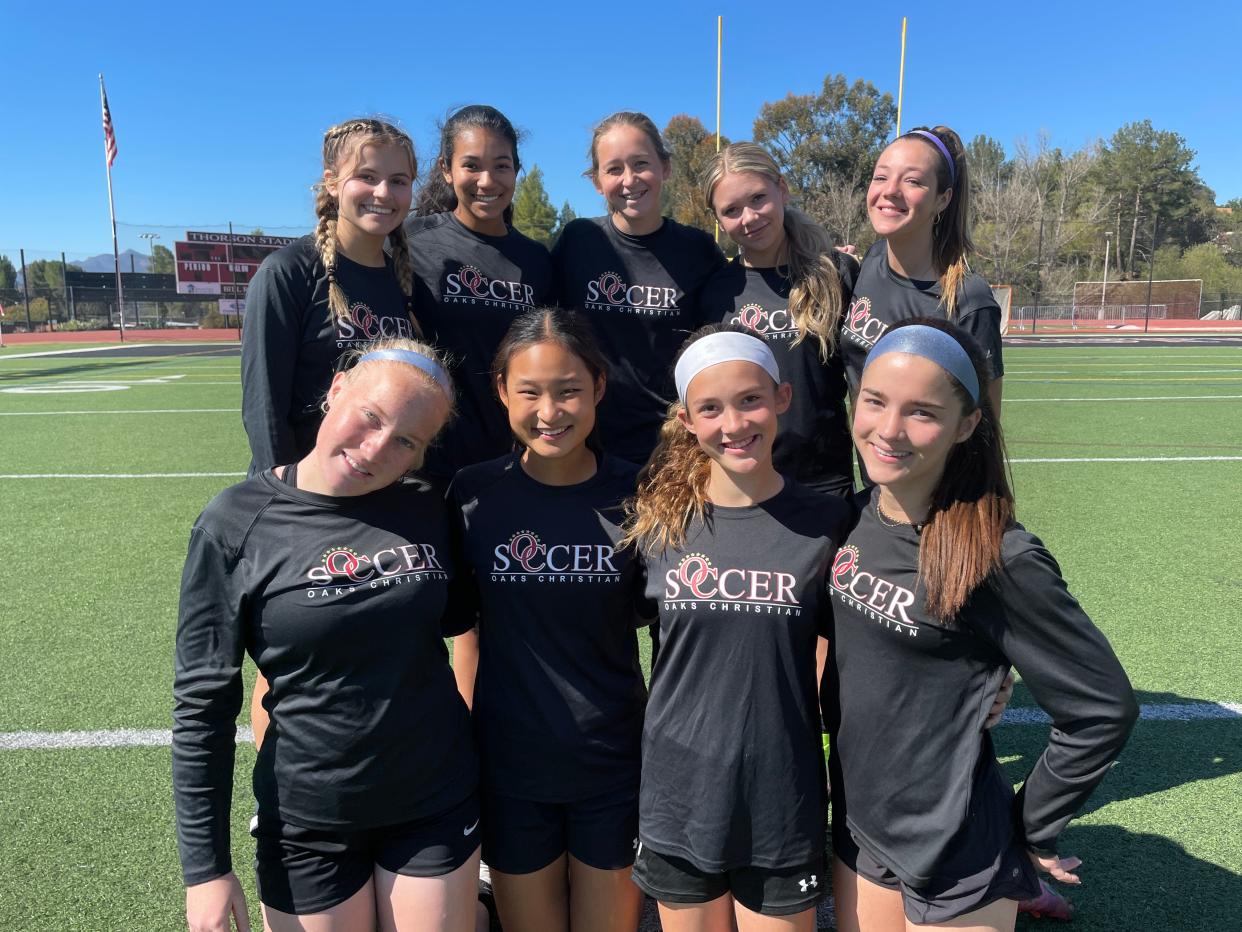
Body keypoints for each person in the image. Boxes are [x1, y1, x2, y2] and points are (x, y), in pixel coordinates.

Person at [823, 319, 1138, 932]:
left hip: (957, 848)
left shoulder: (998, 556)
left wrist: (1035, 824)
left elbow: (1102, 707)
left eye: (922, 412)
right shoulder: (854, 518)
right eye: (876, 401)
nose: (889, 430)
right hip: (861, 826)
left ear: (966, 426)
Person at [173, 338, 481, 932]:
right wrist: (205, 869)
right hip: (306, 817)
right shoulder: (234, 522)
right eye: (371, 417)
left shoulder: (426, 508)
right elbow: (202, 706)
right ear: (337, 388)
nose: (375, 450)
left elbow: (464, 624)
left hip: (434, 801)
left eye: (406, 442)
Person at [622, 325, 851, 931]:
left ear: (781, 397)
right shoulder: (658, 524)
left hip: (781, 792)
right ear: (686, 419)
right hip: (678, 790)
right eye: (711, 408)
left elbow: (878, 632)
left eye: (750, 399)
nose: (734, 423)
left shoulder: (828, 522)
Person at [447, 308, 646, 932]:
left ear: (599, 389)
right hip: (510, 765)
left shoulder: (640, 497)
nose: (550, 411)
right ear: (502, 391)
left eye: (569, 391)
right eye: (529, 392)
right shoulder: (473, 496)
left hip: (612, 763)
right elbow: (466, 630)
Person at [241, 117, 419, 474]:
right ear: (332, 183)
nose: (383, 192)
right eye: (367, 177)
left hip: (376, 489)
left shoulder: (405, 280)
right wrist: (289, 502)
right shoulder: (287, 272)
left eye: (398, 181)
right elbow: (264, 409)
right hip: (306, 495)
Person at [553, 111, 726, 467]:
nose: (629, 179)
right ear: (597, 181)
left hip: (675, 446)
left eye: (641, 164)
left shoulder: (697, 248)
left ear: (665, 167)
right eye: (614, 169)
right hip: (588, 443)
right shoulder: (580, 240)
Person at [405, 104, 555, 486]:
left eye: (502, 166)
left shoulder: (537, 260)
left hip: (517, 460)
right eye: (471, 165)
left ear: (516, 171)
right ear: (445, 168)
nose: (487, 181)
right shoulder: (411, 243)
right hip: (429, 463)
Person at [701, 141, 858, 499]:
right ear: (719, 221)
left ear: (782, 189)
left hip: (824, 483)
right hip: (742, 485)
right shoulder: (715, 292)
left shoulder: (836, 273)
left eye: (758, 198)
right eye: (732, 210)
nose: (750, 217)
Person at [842, 126, 1004, 416]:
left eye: (913, 181)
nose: (890, 190)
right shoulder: (872, 260)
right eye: (881, 176)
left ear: (943, 199)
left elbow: (985, 425)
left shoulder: (969, 299)